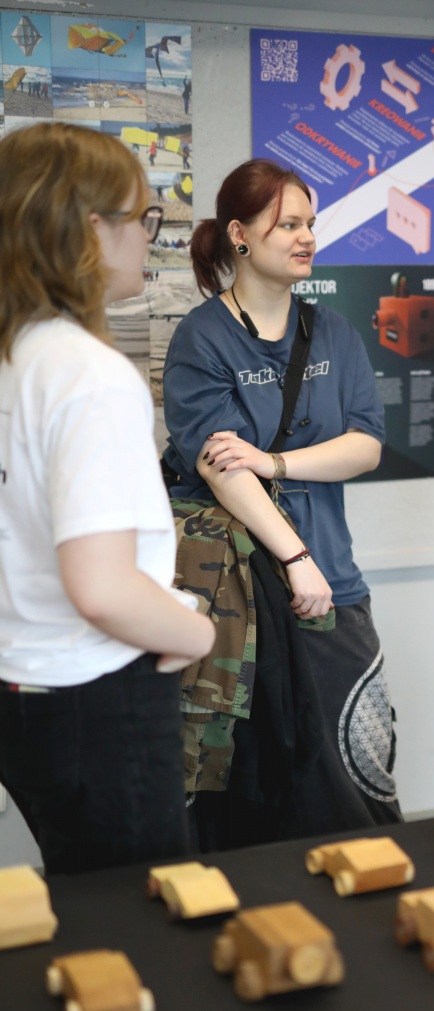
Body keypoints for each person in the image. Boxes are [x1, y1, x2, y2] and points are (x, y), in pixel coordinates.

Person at [162, 157, 401, 846]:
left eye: (309, 224)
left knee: (358, 774)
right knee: (251, 791)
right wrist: (295, 559)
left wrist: (274, 462)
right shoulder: (202, 338)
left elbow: (366, 445)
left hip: (333, 583)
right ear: (239, 235)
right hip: (239, 598)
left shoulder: (334, 332)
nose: (306, 238)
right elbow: (220, 469)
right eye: (288, 225)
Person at [0, 123, 215, 874]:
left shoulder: (15, 357)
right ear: (91, 229)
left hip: (21, 686)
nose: (149, 237)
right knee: (142, 913)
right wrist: (198, 633)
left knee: (85, 902)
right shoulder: (87, 373)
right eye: (143, 218)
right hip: (95, 694)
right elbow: (102, 588)